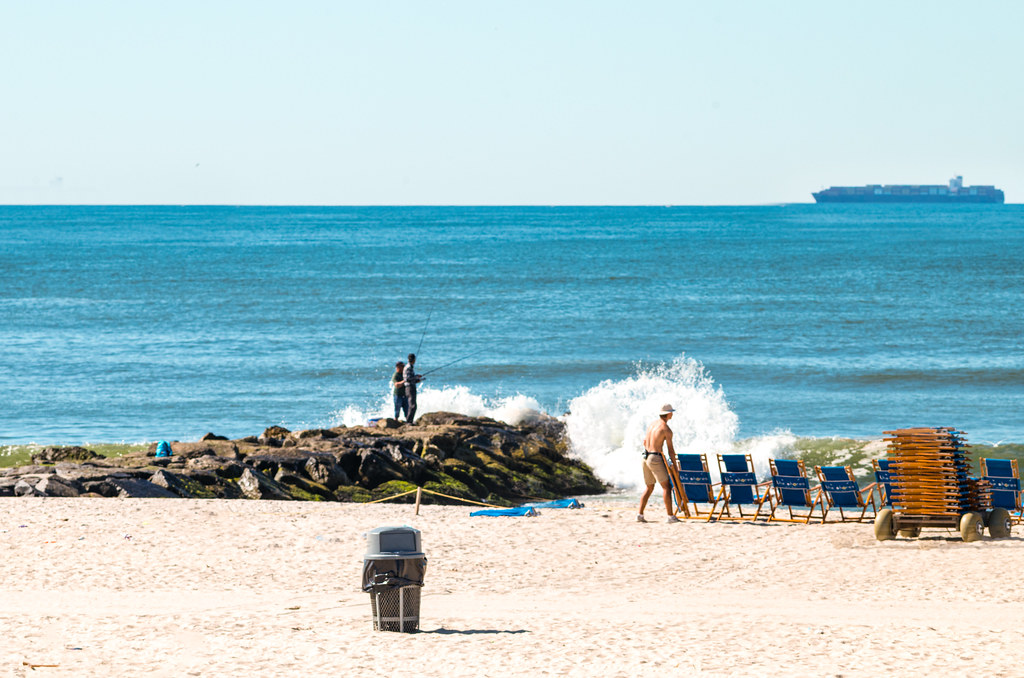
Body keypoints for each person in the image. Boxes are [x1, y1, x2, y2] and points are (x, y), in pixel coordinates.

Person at [637, 404, 679, 523]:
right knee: (667, 487)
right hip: (655, 458)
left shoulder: (652, 425)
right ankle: (670, 516)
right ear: (669, 414)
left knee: (649, 487)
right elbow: (671, 450)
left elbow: (645, 442)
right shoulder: (666, 429)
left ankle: (639, 515)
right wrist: (675, 466)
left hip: (645, 457)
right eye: (672, 412)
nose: (672, 414)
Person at [402, 353, 424, 423]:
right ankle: (409, 421)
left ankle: (409, 420)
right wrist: (416, 377)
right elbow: (408, 379)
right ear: (414, 360)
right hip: (410, 388)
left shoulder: (409, 367)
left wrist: (417, 379)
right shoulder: (408, 367)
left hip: (409, 387)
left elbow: (409, 378)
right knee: (413, 405)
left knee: (412, 405)